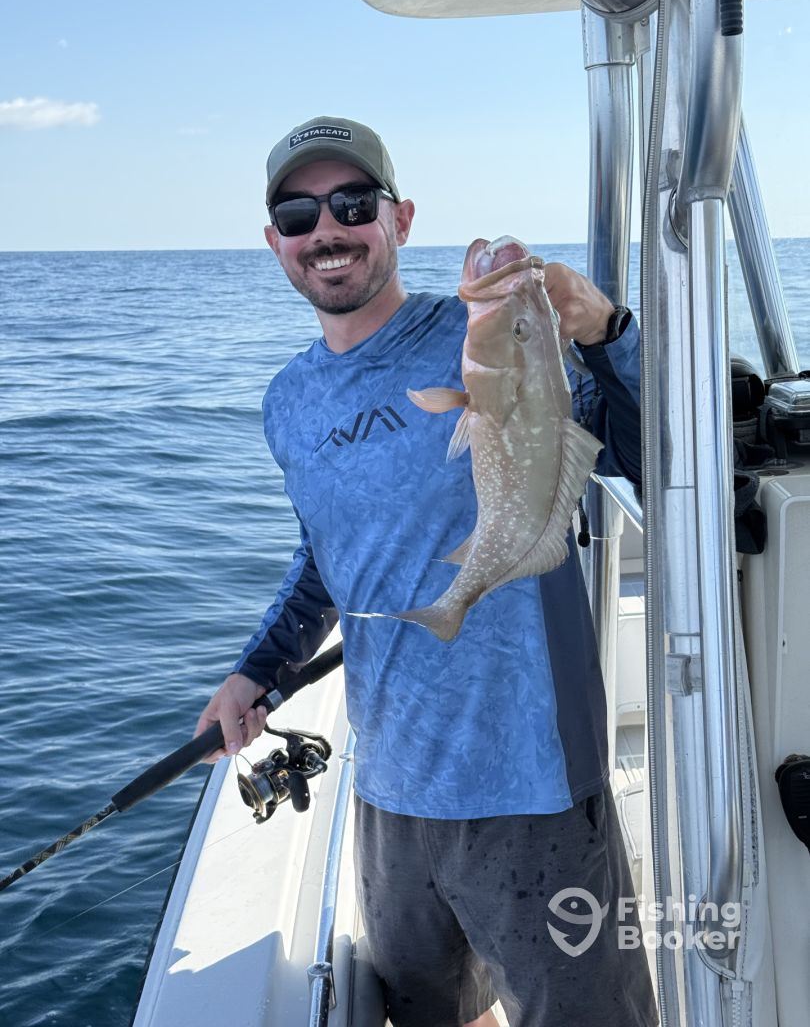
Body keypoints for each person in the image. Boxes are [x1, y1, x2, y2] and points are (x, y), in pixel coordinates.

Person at [195, 115, 657, 1027]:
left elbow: (647, 454)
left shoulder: (496, 331)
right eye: (298, 215)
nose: (326, 230)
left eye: (351, 203)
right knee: (433, 1015)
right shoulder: (287, 402)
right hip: (390, 790)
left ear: (400, 219)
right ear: (274, 241)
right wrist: (257, 670)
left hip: (533, 788)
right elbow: (325, 561)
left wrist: (608, 332)